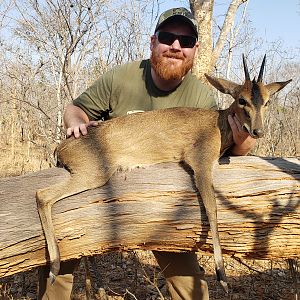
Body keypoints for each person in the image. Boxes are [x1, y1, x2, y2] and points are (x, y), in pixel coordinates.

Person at [38, 7, 256, 300]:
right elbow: (75, 109)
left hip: (160, 202)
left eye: (186, 41)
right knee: (60, 266)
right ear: (153, 41)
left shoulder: (201, 98)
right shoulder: (124, 77)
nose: (176, 47)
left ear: (195, 50)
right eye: (168, 37)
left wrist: (242, 139)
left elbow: (229, 151)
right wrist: (76, 122)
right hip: (105, 180)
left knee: (191, 286)